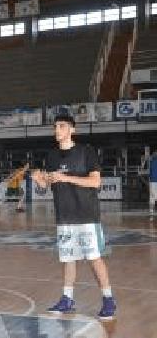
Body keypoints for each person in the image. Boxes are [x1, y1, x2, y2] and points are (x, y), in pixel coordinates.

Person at [32, 115, 116, 320]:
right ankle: (67, 299)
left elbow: (95, 183)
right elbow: (49, 187)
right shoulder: (51, 156)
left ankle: (108, 299)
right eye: (55, 127)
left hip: (86, 215)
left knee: (94, 258)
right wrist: (39, 180)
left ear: (72, 130)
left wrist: (65, 177)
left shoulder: (86, 151)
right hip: (64, 217)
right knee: (68, 259)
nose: (57, 130)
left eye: (61, 126)